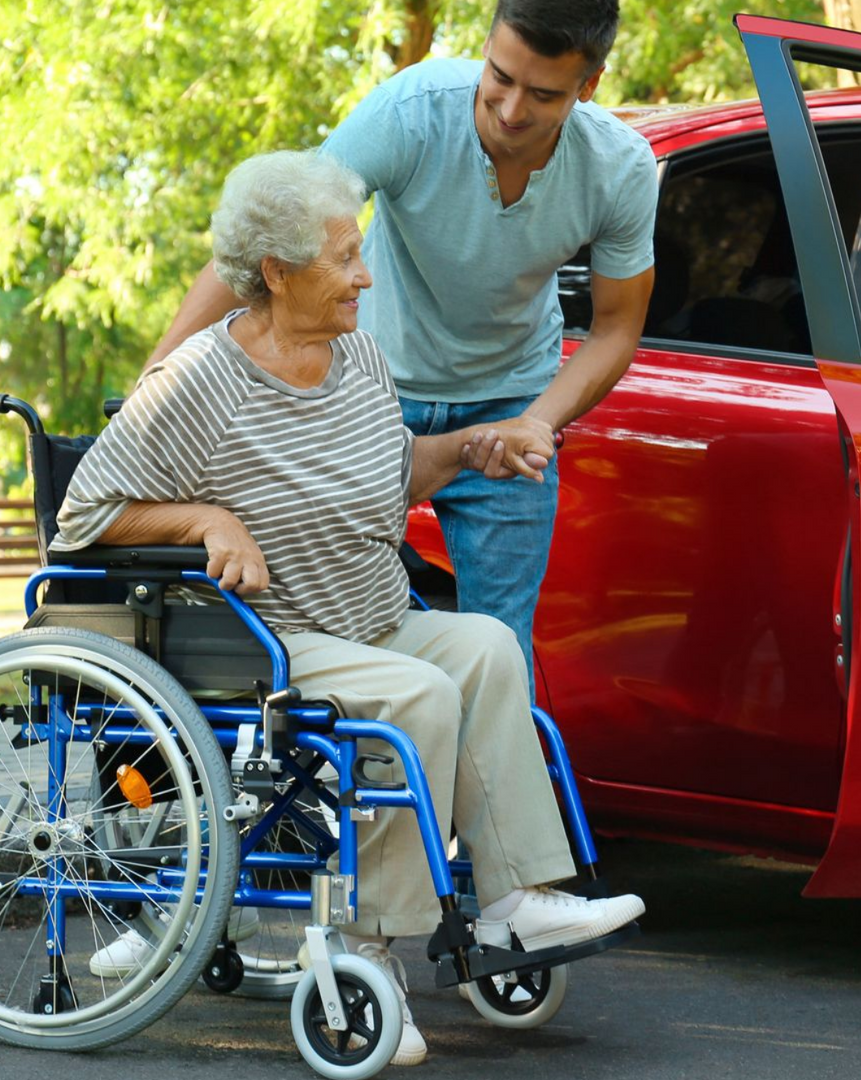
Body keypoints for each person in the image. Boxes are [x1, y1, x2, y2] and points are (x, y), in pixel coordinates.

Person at [54, 150, 645, 1068]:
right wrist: (207, 516)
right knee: (420, 695)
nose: (365, 276)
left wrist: (469, 450)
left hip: (370, 615)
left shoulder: (355, 356)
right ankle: (368, 947)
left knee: (488, 646)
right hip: (274, 642)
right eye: (343, 259)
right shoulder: (195, 384)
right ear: (278, 273)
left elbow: (388, 469)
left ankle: (516, 899)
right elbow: (83, 517)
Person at [144, 0, 657, 686]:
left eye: (542, 94)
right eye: (499, 77)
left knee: (500, 645)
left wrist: (539, 420)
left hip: (510, 401)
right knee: (322, 619)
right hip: (370, 396)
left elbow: (618, 326)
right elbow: (276, 237)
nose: (510, 109)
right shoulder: (412, 113)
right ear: (486, 48)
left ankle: (480, 793)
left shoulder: (618, 168)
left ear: (588, 86)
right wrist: (163, 372)